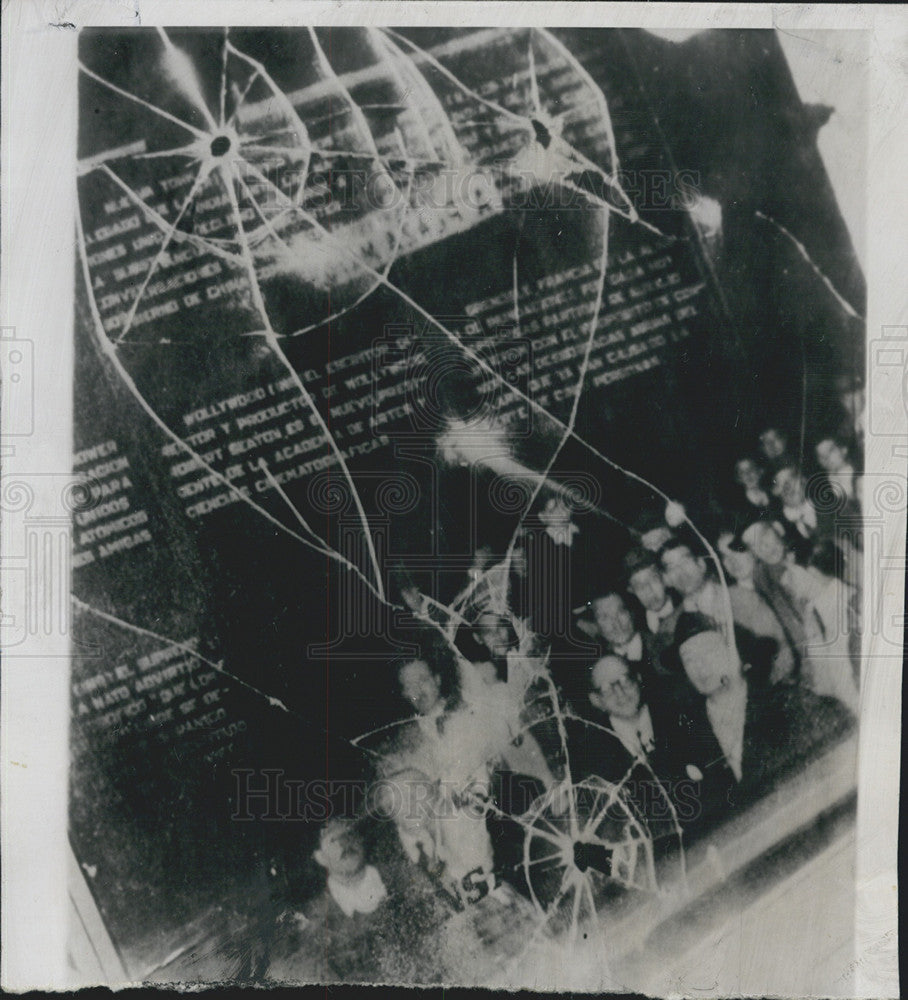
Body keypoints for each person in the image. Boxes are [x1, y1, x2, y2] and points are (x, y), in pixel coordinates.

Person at [674, 613, 853, 810]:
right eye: (689, 659)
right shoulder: (687, 742)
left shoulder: (790, 704)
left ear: (737, 653)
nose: (700, 666)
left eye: (708, 651)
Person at [780, 540, 860, 715]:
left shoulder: (852, 604)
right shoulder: (811, 611)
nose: (784, 580)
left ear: (813, 572)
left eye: (791, 573)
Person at [716, 530, 797, 684]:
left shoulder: (782, 579)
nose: (732, 561)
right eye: (724, 556)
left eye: (737, 551)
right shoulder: (729, 605)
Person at [622, 547, 680, 667]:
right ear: (631, 590)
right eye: (639, 586)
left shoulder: (688, 605)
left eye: (653, 579)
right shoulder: (635, 629)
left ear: (663, 578)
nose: (649, 590)